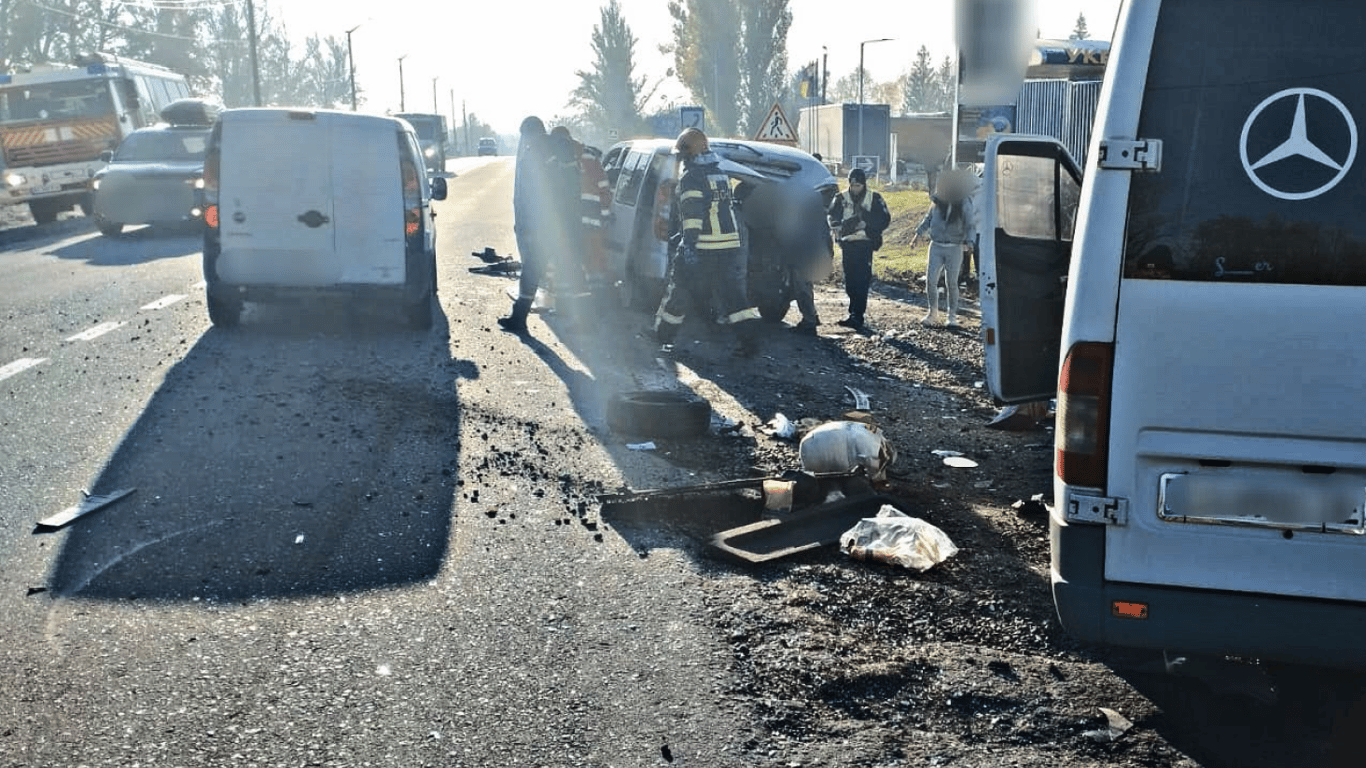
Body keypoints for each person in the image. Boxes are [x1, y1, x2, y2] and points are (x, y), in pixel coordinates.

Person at [653, 127, 761, 356]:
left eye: (683, 156)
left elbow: (693, 217)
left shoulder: (692, 178)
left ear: (689, 155)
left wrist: (688, 245)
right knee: (734, 297)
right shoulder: (720, 173)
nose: (681, 161)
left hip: (703, 246)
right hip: (729, 246)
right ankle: (750, 342)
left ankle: (661, 338)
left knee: (679, 290)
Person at [498, 116, 555, 334]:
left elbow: (530, 195)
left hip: (538, 225)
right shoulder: (551, 152)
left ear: (531, 134)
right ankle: (519, 315)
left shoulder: (535, 155)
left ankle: (519, 317)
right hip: (551, 225)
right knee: (536, 270)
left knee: (531, 270)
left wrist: (525, 224)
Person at [911, 167, 978, 329]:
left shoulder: (964, 202)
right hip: (936, 246)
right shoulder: (937, 201)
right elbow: (928, 219)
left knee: (952, 283)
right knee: (931, 280)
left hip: (954, 248)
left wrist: (970, 242)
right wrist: (917, 234)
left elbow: (970, 224)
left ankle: (952, 316)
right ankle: (932, 313)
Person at [826, 167, 891, 331]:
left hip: (865, 243)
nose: (856, 189)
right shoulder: (841, 197)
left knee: (862, 280)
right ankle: (852, 312)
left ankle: (857, 315)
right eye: (853, 185)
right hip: (848, 243)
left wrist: (866, 223)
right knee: (849, 281)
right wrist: (836, 227)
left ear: (864, 184)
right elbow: (832, 215)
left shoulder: (874, 198)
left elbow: (884, 218)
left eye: (859, 185)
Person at [782, 187, 834, 334]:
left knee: (802, 289)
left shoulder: (803, 219)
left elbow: (795, 240)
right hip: (811, 257)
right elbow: (827, 240)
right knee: (805, 288)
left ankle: (809, 320)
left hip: (803, 258)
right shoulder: (820, 219)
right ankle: (812, 317)